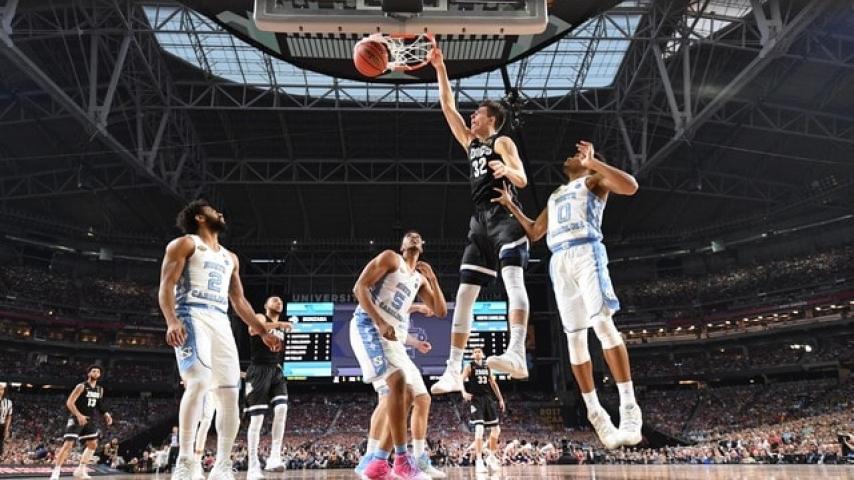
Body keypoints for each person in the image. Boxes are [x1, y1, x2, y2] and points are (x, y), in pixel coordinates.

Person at [491, 140, 642, 448]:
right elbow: (535, 232)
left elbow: (631, 186)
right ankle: (595, 412)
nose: (571, 156)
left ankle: (629, 407)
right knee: (574, 338)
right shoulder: (556, 194)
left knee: (603, 325)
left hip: (586, 251)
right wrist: (511, 206)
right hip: (559, 259)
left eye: (577, 155)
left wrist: (593, 163)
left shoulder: (594, 180)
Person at [428, 47, 531, 394]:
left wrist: (507, 170)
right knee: (464, 295)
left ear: (492, 120)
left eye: (478, 114)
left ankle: (516, 352)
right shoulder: (471, 144)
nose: (472, 116)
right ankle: (452, 368)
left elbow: (522, 178)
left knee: (513, 281)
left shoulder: (502, 141)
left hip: (505, 215)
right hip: (480, 223)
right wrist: (440, 68)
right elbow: (448, 106)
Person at [158, 199, 283, 480]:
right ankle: (186, 460)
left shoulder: (230, 258)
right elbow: (166, 286)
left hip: (220, 319)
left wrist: (263, 331)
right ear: (199, 217)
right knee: (199, 381)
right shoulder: (184, 244)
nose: (220, 213)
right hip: (191, 313)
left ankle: (222, 464)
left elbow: (239, 301)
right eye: (213, 211)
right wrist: (171, 320)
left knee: (229, 393)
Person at [350, 231, 447, 480]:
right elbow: (359, 287)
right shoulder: (391, 258)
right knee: (396, 384)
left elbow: (440, 311)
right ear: (402, 246)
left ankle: (379, 463)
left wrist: (433, 279)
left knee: (412, 394)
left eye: (418, 237)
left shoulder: (419, 279)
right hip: (368, 325)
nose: (414, 237)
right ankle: (399, 459)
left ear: (422, 246)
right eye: (409, 236)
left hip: (392, 336)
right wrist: (380, 321)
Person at [354, 305, 447, 480]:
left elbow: (401, 333)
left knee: (422, 398)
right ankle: (370, 457)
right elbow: (378, 302)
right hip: (377, 339)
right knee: (387, 397)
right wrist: (417, 307)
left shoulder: (405, 299)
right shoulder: (398, 293)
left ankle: (419, 459)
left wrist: (416, 343)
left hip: (398, 348)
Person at [244, 295, 293, 480]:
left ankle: (274, 457)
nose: (279, 302)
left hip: (275, 370)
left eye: (280, 301)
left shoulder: (280, 328)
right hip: (258, 370)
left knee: (281, 409)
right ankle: (253, 466)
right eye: (274, 300)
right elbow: (252, 329)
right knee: (257, 420)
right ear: (266, 305)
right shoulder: (260, 317)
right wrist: (279, 324)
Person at [50, 365, 113, 480]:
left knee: (93, 444)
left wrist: (106, 414)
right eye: (93, 371)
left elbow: (99, 404)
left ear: (100, 375)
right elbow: (69, 402)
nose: (95, 373)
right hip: (76, 418)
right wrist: (78, 415)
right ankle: (56, 471)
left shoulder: (100, 389)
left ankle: (80, 470)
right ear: (89, 373)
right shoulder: (81, 386)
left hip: (89, 419)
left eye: (98, 372)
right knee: (68, 444)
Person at [460, 348, 505, 473]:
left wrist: (500, 399)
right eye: (474, 352)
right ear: (472, 355)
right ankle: (479, 461)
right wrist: (463, 392)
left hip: (488, 399)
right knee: (479, 429)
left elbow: (493, 383)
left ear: (483, 354)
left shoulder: (487, 367)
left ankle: (491, 456)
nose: (477, 353)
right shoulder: (470, 366)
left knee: (496, 429)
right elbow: (460, 379)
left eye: (479, 351)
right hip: (476, 399)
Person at [192, 391, 215, 480]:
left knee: (206, 422)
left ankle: (197, 463)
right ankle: (189, 463)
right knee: (193, 422)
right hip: (196, 387)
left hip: (213, 388)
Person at [0, 383, 12, 459]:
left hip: (2, 424)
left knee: (1, 443)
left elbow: (9, 416)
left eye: (1, 389)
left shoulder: (8, 402)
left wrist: (7, 429)